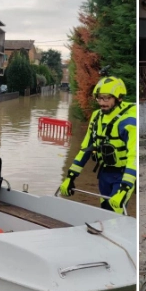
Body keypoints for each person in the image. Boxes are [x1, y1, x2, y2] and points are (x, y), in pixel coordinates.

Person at [59, 76, 136, 214]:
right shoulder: (96, 117)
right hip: (104, 173)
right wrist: (70, 177)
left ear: (119, 98)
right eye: (99, 98)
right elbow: (85, 149)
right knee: (104, 210)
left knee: (116, 212)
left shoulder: (128, 121)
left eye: (106, 98)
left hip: (122, 175)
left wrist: (125, 188)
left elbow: (133, 157)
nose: (102, 103)